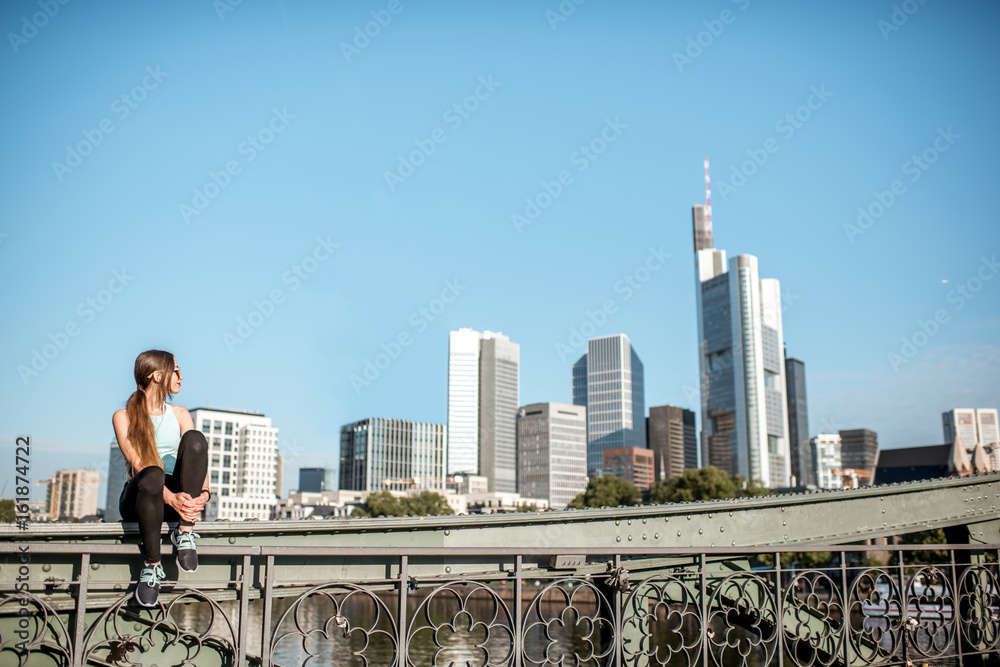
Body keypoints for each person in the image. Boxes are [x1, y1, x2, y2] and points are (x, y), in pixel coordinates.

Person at [112, 350, 210, 607]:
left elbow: (197, 457)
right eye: (175, 370)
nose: (181, 376)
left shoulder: (179, 413)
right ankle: (151, 565)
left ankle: (185, 532)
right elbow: (138, 463)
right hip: (141, 498)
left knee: (196, 439)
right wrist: (171, 499)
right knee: (153, 472)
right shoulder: (123, 417)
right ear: (157, 375)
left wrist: (203, 495)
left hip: (178, 502)